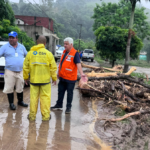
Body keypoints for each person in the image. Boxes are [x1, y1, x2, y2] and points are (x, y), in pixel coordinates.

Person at [23, 35, 57, 121]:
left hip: (34, 80)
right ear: (45, 43)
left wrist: (26, 77)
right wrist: (54, 78)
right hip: (45, 81)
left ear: (37, 42)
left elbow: (25, 67)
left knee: (33, 99)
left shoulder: (30, 53)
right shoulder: (48, 54)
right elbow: (53, 68)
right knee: (45, 99)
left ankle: (32, 116)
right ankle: (45, 117)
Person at [51, 37, 86, 114]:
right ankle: (59, 105)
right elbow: (61, 63)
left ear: (71, 44)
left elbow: (78, 64)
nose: (65, 45)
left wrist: (82, 73)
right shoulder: (64, 52)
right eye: (64, 44)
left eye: (66, 44)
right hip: (62, 77)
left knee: (69, 94)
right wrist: (58, 73)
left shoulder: (75, 53)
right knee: (60, 92)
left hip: (70, 79)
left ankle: (68, 108)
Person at [0, 31, 28, 110]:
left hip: (20, 71)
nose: (11, 39)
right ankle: (11, 103)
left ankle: (20, 101)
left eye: (12, 38)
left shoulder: (21, 47)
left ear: (16, 39)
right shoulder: (4, 47)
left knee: (20, 87)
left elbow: (27, 56)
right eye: (10, 38)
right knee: (9, 88)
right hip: (9, 71)